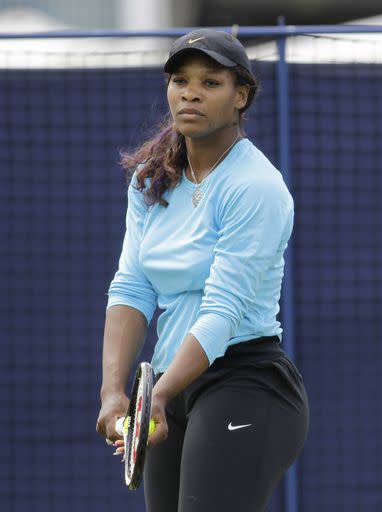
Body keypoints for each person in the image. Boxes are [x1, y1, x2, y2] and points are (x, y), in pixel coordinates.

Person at [95, 29, 309, 512]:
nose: (190, 92)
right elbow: (131, 286)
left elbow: (223, 310)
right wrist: (113, 394)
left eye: (211, 82)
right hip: (173, 385)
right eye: (180, 80)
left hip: (247, 381)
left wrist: (156, 396)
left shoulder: (257, 187)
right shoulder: (150, 178)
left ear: (241, 97)